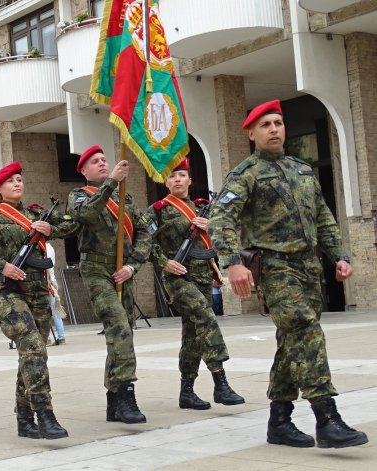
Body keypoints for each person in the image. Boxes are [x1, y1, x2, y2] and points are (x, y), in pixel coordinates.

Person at [209, 99, 368, 449]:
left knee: (292, 341)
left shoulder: (302, 170)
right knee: (306, 333)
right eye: (266, 125)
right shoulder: (245, 174)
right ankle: (327, 418)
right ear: (251, 133)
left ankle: (278, 421)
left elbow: (323, 218)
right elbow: (221, 220)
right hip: (276, 268)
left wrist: (339, 255)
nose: (274, 129)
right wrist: (232, 263)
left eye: (278, 123)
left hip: (309, 268)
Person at [0, 161, 75, 439]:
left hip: (37, 292)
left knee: (32, 355)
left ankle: (24, 419)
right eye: (11, 181)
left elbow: (71, 225)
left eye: (20, 179)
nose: (18, 184)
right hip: (8, 291)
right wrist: (1, 265)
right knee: (35, 348)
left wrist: (49, 228)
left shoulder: (36, 213)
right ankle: (45, 414)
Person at [144, 157, 244, 410]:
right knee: (206, 318)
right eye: (172, 176)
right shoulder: (158, 210)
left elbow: (227, 232)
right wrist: (163, 262)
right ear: (165, 182)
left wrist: (210, 227)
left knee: (193, 335)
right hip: (177, 278)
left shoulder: (204, 208)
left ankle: (186, 391)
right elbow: (142, 242)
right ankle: (220, 382)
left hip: (201, 277)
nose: (177, 180)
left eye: (181, 175)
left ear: (190, 179)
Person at [66, 145, 152, 424]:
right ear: (84, 171)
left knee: (121, 336)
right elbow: (86, 216)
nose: (102, 164)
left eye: (105, 160)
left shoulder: (124, 197)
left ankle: (113, 400)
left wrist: (132, 265)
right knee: (119, 327)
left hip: (122, 271)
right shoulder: (78, 196)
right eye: (95, 161)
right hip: (95, 270)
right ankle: (127, 395)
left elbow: (144, 233)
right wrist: (112, 181)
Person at [45, 243, 66, 347]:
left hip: (47, 282)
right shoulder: (50, 247)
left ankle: (47, 338)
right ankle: (61, 338)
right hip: (52, 281)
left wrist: (47, 281)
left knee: (44, 311)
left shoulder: (44, 247)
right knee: (55, 311)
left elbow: (46, 265)